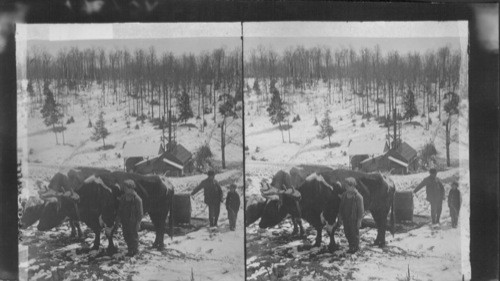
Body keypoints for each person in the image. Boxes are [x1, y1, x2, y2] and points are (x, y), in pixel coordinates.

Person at [337, 177, 364, 254]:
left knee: (354, 233)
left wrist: (359, 221)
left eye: (347, 186)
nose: (346, 187)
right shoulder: (345, 195)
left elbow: (361, 211)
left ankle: (355, 247)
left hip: (354, 219)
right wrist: (340, 217)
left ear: (353, 186)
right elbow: (341, 207)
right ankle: (351, 245)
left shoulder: (358, 197)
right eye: (345, 186)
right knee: (347, 232)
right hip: (346, 218)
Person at [117, 179, 143, 257]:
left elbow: (140, 213)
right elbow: (120, 210)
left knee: (133, 236)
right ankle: (130, 249)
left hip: (133, 221)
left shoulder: (137, 199)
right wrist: (118, 220)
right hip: (125, 220)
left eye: (126, 188)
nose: (125, 190)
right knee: (126, 235)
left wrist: (138, 223)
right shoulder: (123, 198)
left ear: (131, 188)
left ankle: (135, 251)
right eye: (124, 188)